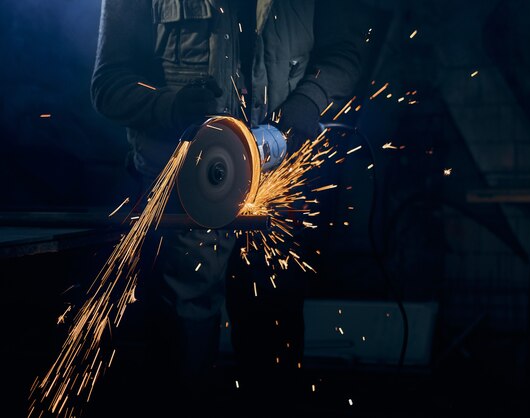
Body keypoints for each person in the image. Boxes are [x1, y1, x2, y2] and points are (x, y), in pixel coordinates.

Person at [90, 1, 372, 416]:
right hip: (185, 196)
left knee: (274, 350)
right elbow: (108, 84)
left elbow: (346, 53)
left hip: (275, 187)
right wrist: (170, 106)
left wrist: (307, 102)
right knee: (181, 357)